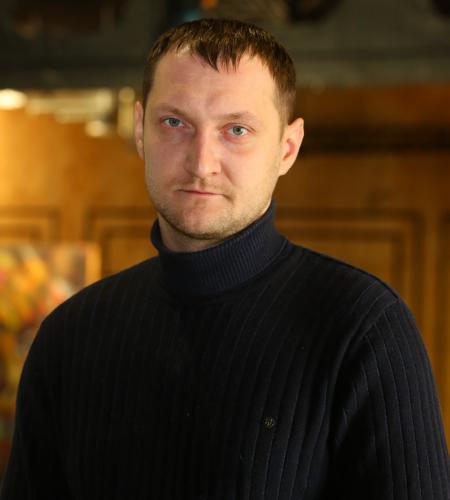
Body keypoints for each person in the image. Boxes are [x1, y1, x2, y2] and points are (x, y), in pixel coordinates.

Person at [1, 18, 449, 500]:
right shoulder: (69, 336)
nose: (201, 163)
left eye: (236, 130)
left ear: (287, 148)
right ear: (139, 130)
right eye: (175, 123)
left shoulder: (363, 329)